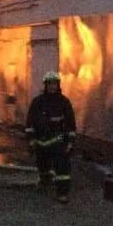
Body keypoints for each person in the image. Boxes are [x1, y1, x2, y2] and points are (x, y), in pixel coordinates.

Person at [25, 71, 77, 203]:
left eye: (54, 83)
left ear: (58, 85)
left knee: (62, 169)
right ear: (45, 85)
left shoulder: (64, 102)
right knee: (42, 166)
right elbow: (30, 122)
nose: (52, 86)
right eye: (50, 84)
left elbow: (71, 124)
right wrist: (31, 140)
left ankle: (62, 193)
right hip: (41, 141)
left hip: (58, 140)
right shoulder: (37, 102)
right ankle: (44, 182)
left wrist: (70, 142)